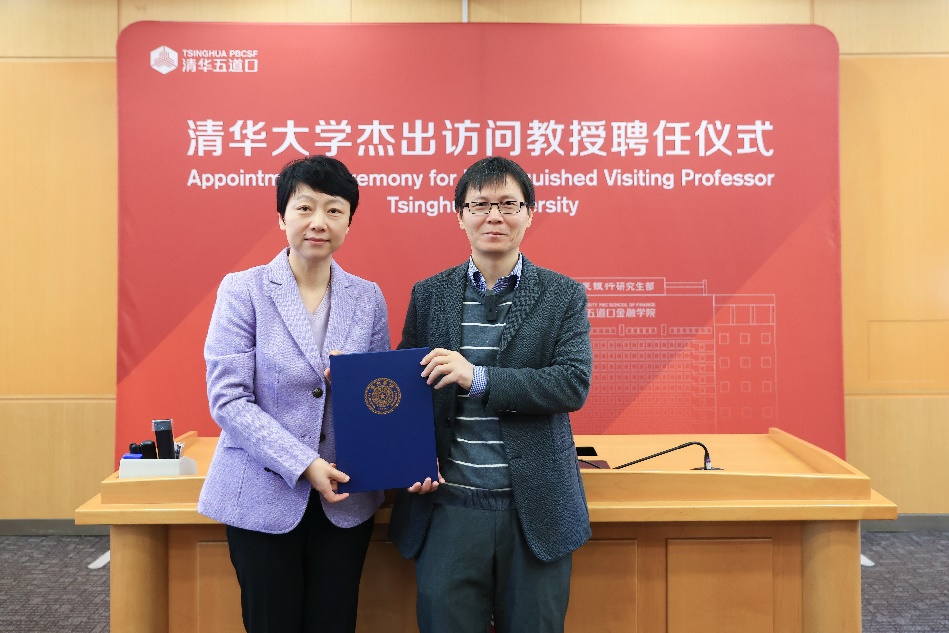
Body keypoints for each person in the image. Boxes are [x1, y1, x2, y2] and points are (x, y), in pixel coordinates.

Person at [388, 156, 594, 633]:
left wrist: (477, 377)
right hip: (449, 508)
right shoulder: (430, 294)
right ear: (460, 216)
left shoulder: (563, 295)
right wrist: (356, 385)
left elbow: (571, 383)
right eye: (479, 205)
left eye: (508, 205)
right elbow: (408, 389)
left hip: (536, 510)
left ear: (529, 214)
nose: (493, 216)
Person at [197, 155, 390, 633]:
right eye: (305, 208)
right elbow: (229, 400)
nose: (319, 222)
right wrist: (303, 463)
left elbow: (381, 400)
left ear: (349, 222)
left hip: (345, 499)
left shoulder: (368, 297)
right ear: (282, 218)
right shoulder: (243, 290)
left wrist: (354, 386)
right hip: (261, 495)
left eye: (334, 210)